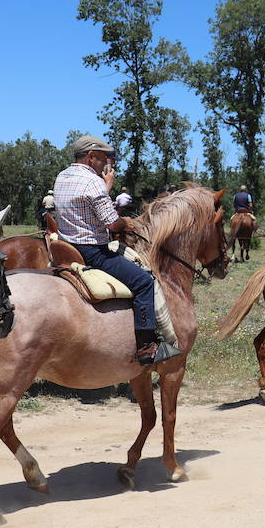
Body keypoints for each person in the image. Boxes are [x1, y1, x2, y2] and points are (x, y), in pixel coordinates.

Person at [54, 135, 177, 364]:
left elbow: (87, 208)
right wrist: (126, 224)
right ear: (91, 157)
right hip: (92, 251)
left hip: (65, 247)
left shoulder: (62, 176)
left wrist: (106, 187)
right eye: (104, 159)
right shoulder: (92, 183)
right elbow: (111, 223)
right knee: (144, 282)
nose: (107, 164)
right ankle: (146, 347)